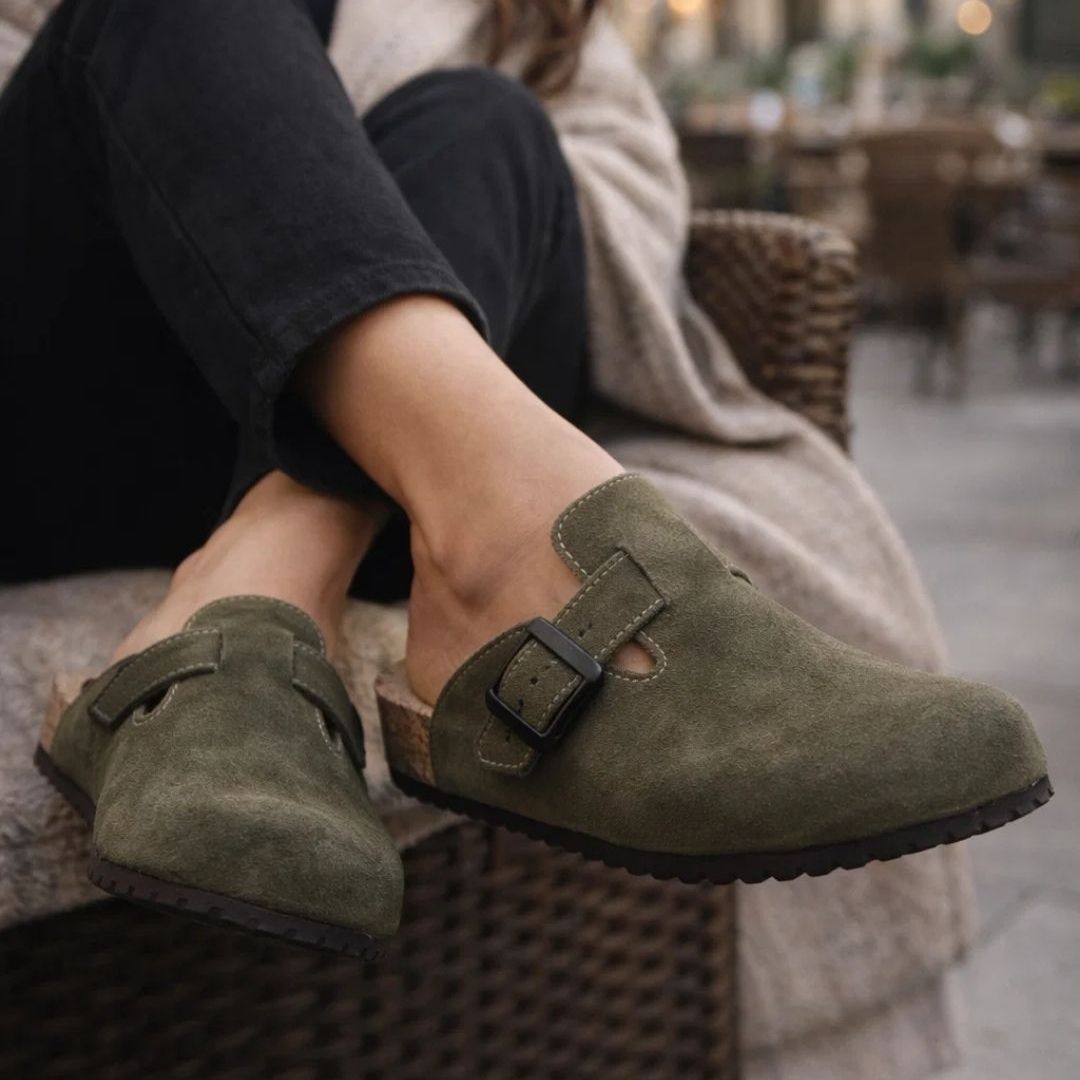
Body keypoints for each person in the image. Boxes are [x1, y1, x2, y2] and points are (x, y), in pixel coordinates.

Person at [0, 0, 1049, 958]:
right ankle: (472, 567)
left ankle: (274, 573)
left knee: (487, 121)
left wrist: (351, 212)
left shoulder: (532, 17)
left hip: (416, 481)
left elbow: (620, 230)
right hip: (92, 413)